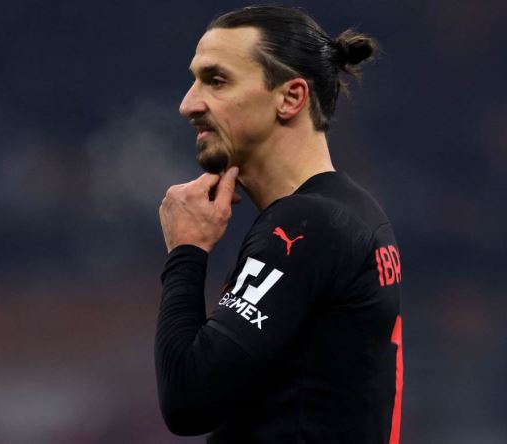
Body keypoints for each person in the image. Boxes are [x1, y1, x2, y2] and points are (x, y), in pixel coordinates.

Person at [156, 5, 403, 443]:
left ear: (290, 97)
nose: (188, 104)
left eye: (216, 80)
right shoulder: (352, 212)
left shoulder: (307, 225)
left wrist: (186, 251)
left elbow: (188, 399)